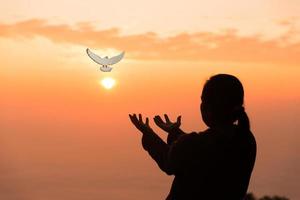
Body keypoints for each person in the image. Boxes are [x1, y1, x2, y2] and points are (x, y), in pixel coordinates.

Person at [129, 74, 257, 200]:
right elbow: (196, 151)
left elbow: (169, 160)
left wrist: (148, 133)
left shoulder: (195, 144)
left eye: (202, 101)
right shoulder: (246, 140)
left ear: (206, 108)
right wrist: (174, 132)